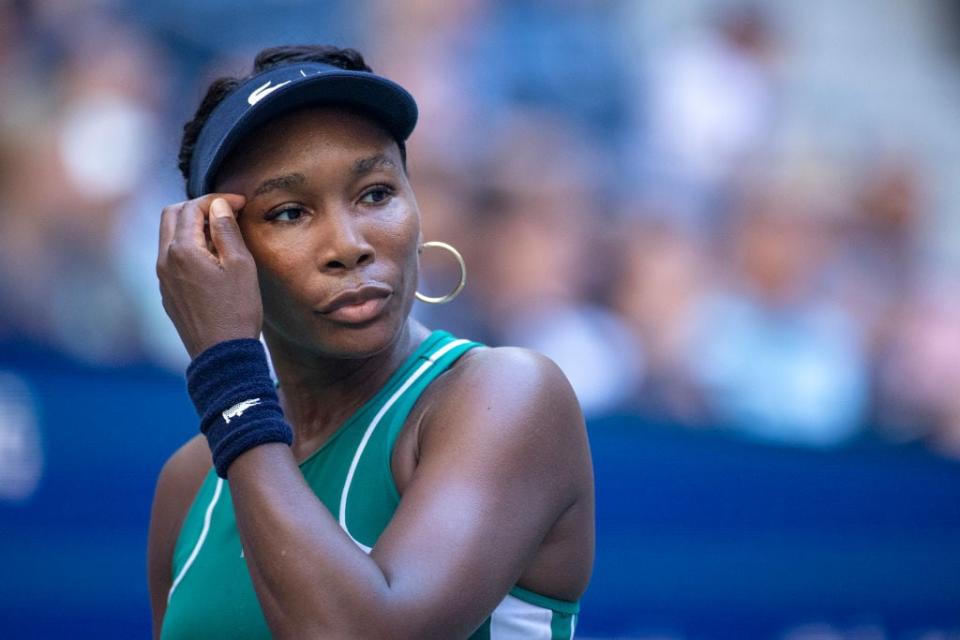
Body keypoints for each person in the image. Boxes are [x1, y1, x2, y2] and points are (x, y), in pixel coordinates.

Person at [147, 45, 594, 639]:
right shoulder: (190, 482)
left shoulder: (507, 395)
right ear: (214, 247)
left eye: (376, 193)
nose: (349, 244)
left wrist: (228, 373)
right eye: (289, 212)